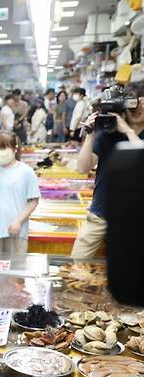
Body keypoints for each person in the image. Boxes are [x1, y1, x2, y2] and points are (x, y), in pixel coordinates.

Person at [71, 82, 144, 258]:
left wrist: (127, 131)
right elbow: (82, 168)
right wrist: (90, 134)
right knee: (77, 260)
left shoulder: (126, 132)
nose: (138, 108)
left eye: (142, 103)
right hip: (101, 212)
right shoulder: (108, 132)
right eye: (134, 103)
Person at [0, 131, 40, 257]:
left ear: (15, 148)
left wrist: (18, 222)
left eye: (3, 148)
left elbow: (34, 200)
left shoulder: (26, 171)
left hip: (16, 231)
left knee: (15, 272)